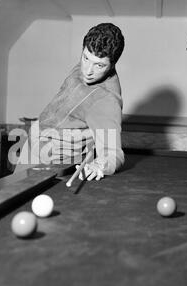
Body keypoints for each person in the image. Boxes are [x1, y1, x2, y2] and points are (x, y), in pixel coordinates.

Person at [12, 22, 125, 181]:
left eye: (99, 65)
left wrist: (100, 164)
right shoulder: (86, 63)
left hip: (54, 159)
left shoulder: (106, 100)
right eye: (86, 58)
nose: (88, 71)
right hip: (33, 142)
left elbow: (113, 153)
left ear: (112, 64)